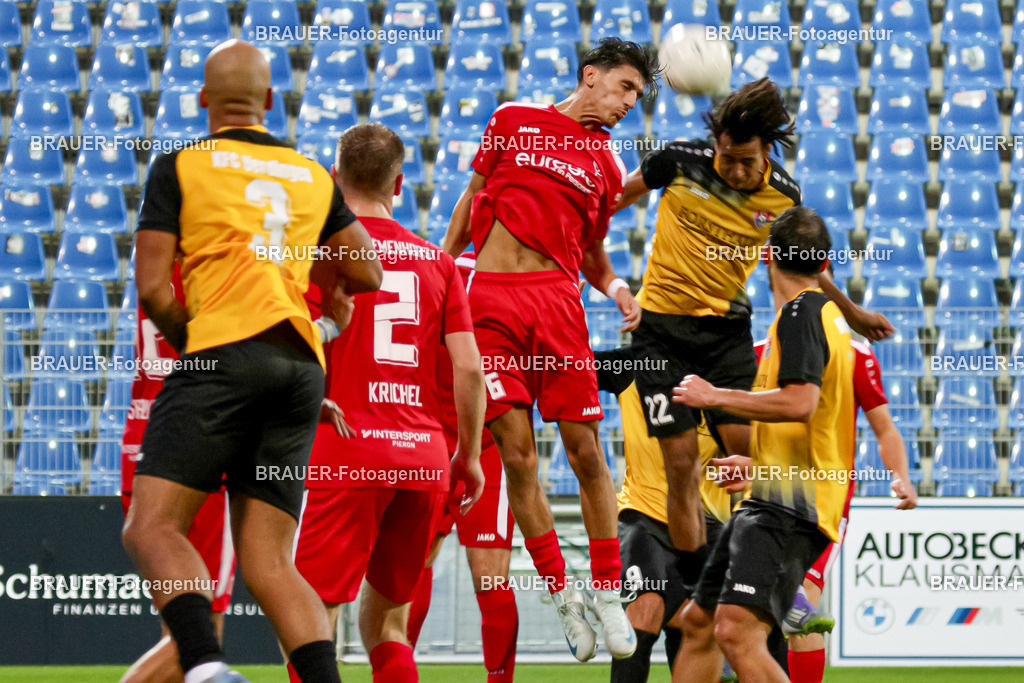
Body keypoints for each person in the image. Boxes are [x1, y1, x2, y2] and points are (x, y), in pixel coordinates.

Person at [122, 40, 382, 683]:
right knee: (271, 563)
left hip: (221, 356)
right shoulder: (310, 174)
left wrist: (199, 350)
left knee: (150, 529)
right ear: (269, 100)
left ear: (202, 99)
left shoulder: (181, 165)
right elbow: (368, 271)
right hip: (298, 368)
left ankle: (206, 668)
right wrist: (320, 304)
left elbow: (152, 288)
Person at [613, 78, 894, 590]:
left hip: (725, 335)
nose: (736, 170)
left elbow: (805, 262)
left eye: (747, 161)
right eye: (727, 158)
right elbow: (611, 200)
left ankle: (754, 581)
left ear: (767, 151)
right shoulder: (678, 161)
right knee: (681, 466)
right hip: (660, 332)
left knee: (751, 461)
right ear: (715, 145)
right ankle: (696, 595)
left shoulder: (783, 194)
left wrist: (852, 312)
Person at [442, 37, 658, 662]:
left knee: (586, 451)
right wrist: (444, 269)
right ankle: (561, 593)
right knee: (517, 456)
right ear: (590, 76)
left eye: (637, 95)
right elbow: (470, 197)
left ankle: (607, 592)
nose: (628, 103)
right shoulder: (511, 120)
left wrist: (617, 287)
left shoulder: (607, 165)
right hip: (489, 304)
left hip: (557, 305)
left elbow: (590, 253)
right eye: (624, 87)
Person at [292, 123, 486, 683]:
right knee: (389, 625)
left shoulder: (317, 256)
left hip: (345, 450)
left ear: (334, 178)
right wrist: (468, 456)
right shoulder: (438, 262)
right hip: (422, 457)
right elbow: (470, 369)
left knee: (311, 619)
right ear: (399, 184)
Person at [671, 207, 856, 683]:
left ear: (767, 255)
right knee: (699, 623)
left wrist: (714, 396)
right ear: (824, 262)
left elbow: (800, 404)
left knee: (736, 633)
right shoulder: (820, 315)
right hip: (774, 496)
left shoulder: (800, 315)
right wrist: (756, 465)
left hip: (790, 509)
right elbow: (815, 422)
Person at [406, 252, 520, 683]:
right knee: (434, 569)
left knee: (466, 573)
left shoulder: (439, 267)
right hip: (456, 442)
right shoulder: (460, 271)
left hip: (462, 443)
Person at [119, 265, 236, 683]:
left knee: (181, 628)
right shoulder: (216, 265)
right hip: (198, 451)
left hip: (142, 443)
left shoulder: (156, 268)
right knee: (198, 640)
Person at [590, 343, 733, 682]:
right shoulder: (633, 363)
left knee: (693, 624)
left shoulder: (726, 374)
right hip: (643, 515)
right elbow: (572, 367)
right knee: (645, 608)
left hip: (705, 524)